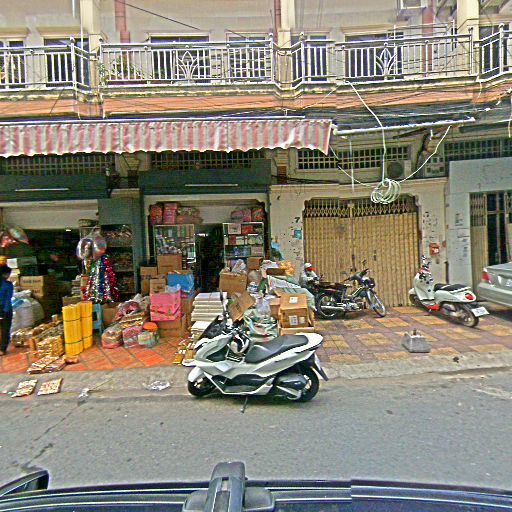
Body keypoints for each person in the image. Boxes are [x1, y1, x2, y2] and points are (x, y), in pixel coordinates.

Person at [0, 266, 14, 355]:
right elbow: (8, 299)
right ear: (5, 274)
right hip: (5, 308)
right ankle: (2, 349)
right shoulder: (8, 285)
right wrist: (5, 311)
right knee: (5, 329)